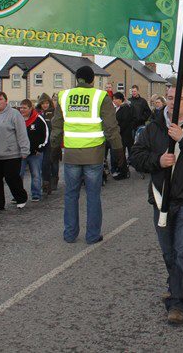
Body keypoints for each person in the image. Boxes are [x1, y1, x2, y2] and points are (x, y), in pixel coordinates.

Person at [130, 84, 183, 325]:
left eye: (177, 98)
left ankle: (177, 302)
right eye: (169, 97)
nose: (172, 102)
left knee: (182, 251)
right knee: (169, 252)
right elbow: (135, 156)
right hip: (162, 199)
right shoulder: (153, 127)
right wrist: (157, 161)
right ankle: (176, 283)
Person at [51, 66, 124, 244]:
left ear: (77, 79)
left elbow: (57, 125)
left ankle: (70, 234)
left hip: (71, 153)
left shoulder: (64, 96)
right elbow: (111, 127)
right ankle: (92, 236)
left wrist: (54, 147)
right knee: (93, 196)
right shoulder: (101, 97)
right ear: (92, 80)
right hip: (94, 154)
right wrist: (118, 150)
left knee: (70, 195)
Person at [18, 99, 49, 202]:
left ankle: (36, 194)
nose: (22, 110)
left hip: (35, 153)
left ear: (30, 108)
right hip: (21, 153)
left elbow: (46, 134)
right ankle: (18, 194)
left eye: (24, 108)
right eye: (21, 108)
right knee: (19, 174)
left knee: (36, 174)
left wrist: (40, 148)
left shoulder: (38, 119)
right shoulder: (17, 119)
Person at [36, 93, 58, 194]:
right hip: (43, 142)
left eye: (47, 103)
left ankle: (54, 180)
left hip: (53, 141)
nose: (45, 105)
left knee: (54, 163)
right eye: (43, 103)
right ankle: (46, 183)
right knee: (44, 164)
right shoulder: (38, 113)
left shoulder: (54, 112)